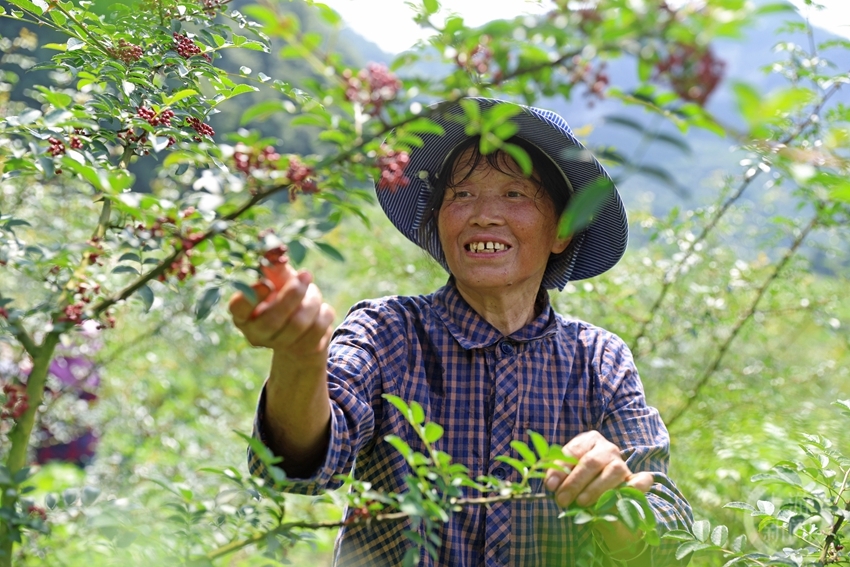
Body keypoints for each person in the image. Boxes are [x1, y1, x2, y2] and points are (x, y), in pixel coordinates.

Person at [230, 98, 693, 566]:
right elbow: (297, 468)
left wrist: (614, 500)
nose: (483, 215)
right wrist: (300, 354)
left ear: (562, 232)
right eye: (461, 195)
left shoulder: (599, 360)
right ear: (438, 221)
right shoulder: (387, 332)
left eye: (515, 195)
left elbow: (667, 536)